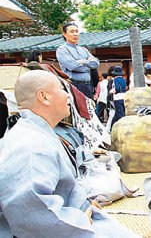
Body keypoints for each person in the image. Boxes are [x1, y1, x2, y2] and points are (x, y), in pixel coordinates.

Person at [0, 70, 137, 237]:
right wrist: (78, 220)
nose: (68, 96)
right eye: (61, 89)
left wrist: (83, 203)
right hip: (60, 227)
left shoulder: (38, 133)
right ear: (44, 97)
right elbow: (33, 209)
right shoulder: (31, 145)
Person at [56, 22, 100, 99]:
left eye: (76, 31)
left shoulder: (84, 50)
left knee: (89, 109)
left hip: (88, 85)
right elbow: (72, 66)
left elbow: (96, 63)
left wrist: (83, 62)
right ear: (64, 34)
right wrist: (88, 64)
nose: (75, 34)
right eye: (72, 32)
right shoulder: (62, 50)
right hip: (74, 85)